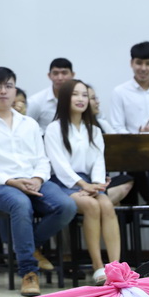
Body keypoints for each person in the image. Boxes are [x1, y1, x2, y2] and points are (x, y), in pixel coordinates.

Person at [0, 67, 77, 297]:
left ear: (15, 90)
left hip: (33, 180)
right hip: (0, 186)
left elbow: (42, 160)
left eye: (8, 86)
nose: (3, 91)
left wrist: (37, 179)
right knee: (21, 204)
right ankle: (28, 272)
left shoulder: (29, 123)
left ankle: (26, 244)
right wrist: (11, 181)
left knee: (67, 205)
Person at [44, 80, 121, 284]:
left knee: (106, 204)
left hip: (90, 182)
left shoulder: (93, 130)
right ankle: (98, 266)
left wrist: (96, 184)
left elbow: (98, 161)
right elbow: (59, 165)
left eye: (85, 95)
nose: (81, 99)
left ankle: (116, 267)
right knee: (91, 206)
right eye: (75, 94)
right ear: (65, 98)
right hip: (63, 182)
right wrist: (83, 185)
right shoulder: (54, 128)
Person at [110, 41, 149, 206]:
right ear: (131, 63)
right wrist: (138, 137)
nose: (143, 68)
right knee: (135, 161)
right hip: (135, 149)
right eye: (139, 63)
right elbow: (117, 127)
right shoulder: (120, 92)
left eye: (148, 63)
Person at [87, 84, 134, 206]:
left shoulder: (102, 124)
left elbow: (119, 147)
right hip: (83, 180)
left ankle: (99, 205)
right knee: (115, 202)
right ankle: (98, 205)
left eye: (96, 98)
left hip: (102, 178)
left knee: (128, 179)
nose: (97, 102)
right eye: (93, 98)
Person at [27, 58, 76, 131]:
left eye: (64, 73)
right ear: (49, 75)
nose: (60, 78)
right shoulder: (36, 101)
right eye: (55, 73)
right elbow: (26, 126)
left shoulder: (80, 99)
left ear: (72, 75)